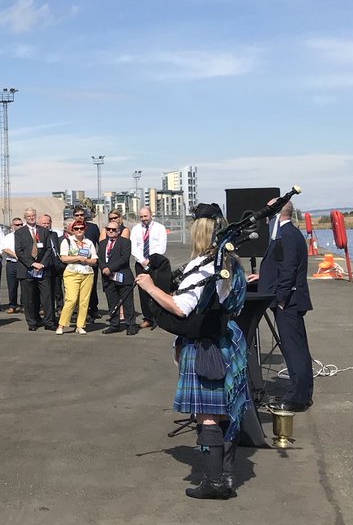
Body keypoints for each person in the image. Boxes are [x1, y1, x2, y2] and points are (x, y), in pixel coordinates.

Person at [135, 204, 249, 500]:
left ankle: (213, 484)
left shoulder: (204, 266)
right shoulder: (232, 263)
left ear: (198, 232)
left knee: (207, 416)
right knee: (225, 413)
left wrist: (148, 287)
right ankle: (225, 477)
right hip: (228, 338)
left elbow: (180, 307)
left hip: (205, 346)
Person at [255, 199, 314, 413]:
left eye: (271, 212)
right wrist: (263, 277)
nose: (267, 217)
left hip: (288, 302)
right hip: (288, 300)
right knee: (295, 348)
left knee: (294, 350)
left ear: (279, 213)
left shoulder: (287, 235)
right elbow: (280, 266)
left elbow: (288, 269)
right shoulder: (287, 234)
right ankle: (301, 393)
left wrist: (280, 298)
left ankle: (297, 398)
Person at [15, 209, 55, 331]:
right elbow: (19, 251)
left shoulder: (43, 231)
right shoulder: (20, 232)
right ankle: (32, 322)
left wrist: (42, 264)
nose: (31, 218)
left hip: (43, 269)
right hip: (27, 269)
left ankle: (49, 322)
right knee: (29, 298)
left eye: (33, 215)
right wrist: (32, 264)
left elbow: (49, 248)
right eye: (28, 216)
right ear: (25, 217)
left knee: (47, 297)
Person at [56, 221, 98, 335]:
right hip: (72, 273)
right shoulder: (67, 241)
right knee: (71, 299)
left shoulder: (88, 243)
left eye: (81, 228)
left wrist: (86, 260)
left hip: (87, 274)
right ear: (73, 230)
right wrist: (78, 258)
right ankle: (62, 325)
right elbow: (64, 258)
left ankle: (80, 325)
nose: (79, 230)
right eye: (76, 228)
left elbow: (94, 260)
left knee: (84, 301)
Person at [98, 219, 137, 335]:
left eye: (113, 229)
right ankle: (114, 324)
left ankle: (131, 325)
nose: (110, 231)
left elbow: (124, 259)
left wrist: (110, 268)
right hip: (107, 277)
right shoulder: (102, 243)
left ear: (118, 231)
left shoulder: (125, 242)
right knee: (112, 302)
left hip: (122, 276)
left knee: (127, 302)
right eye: (108, 229)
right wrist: (104, 268)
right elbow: (99, 258)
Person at [132, 207, 169, 329]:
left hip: (156, 263)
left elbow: (161, 247)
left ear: (151, 215)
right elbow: (134, 247)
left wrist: (150, 261)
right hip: (141, 263)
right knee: (143, 292)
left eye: (145, 216)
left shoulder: (159, 228)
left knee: (157, 290)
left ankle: (159, 318)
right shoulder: (136, 229)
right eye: (141, 216)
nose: (143, 219)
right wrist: (142, 261)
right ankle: (148, 318)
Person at [0, 217, 23, 314]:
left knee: (24, 286)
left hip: (23, 263)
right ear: (12, 226)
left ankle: (23, 305)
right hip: (12, 263)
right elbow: (5, 249)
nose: (20, 226)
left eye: (21, 224)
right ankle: (12, 305)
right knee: (12, 286)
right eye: (17, 225)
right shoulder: (9, 236)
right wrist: (17, 256)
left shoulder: (27, 236)